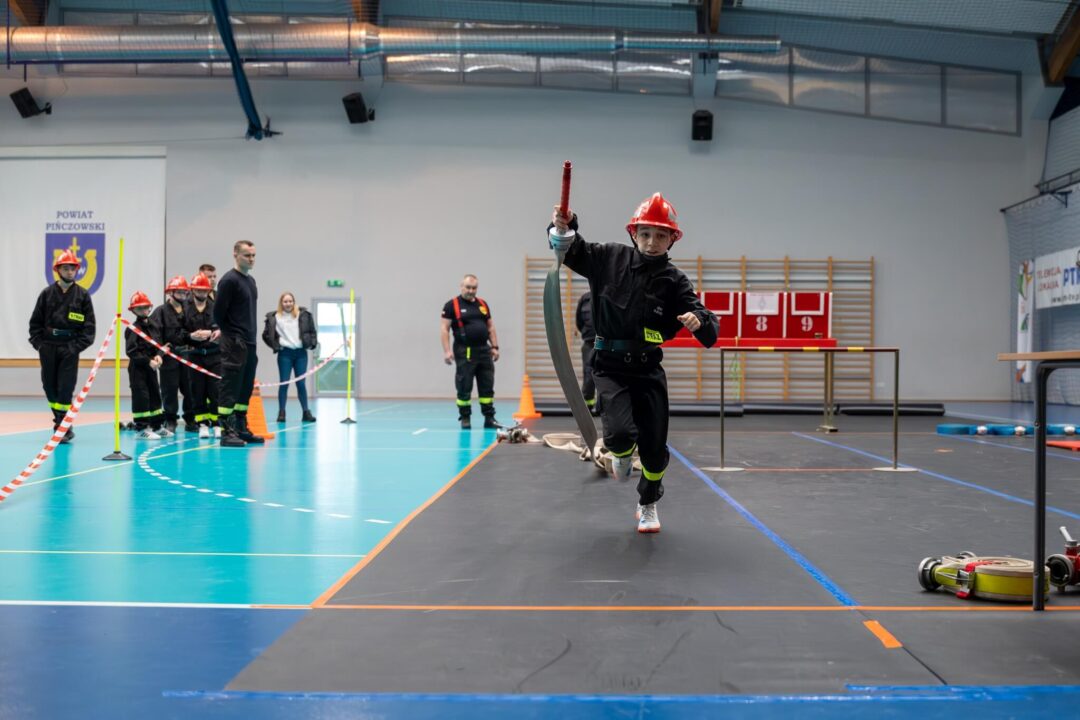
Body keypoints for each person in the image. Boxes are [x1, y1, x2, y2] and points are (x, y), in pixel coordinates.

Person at [548, 193, 719, 533]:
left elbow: (708, 328)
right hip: (609, 367)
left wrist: (699, 321)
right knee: (622, 435)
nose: (652, 242)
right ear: (633, 234)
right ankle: (620, 451)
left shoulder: (675, 281)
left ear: (672, 239)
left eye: (660, 235)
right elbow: (569, 248)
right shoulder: (608, 258)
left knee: (654, 451)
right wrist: (563, 225)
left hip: (647, 370)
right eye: (645, 234)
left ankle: (648, 503)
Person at [28, 250, 96, 443]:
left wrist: (74, 348)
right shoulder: (46, 294)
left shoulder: (83, 296)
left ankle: (62, 427)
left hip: (69, 347)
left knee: (65, 387)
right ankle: (61, 421)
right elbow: (35, 324)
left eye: (73, 268)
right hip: (48, 347)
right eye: (66, 268)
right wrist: (40, 345)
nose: (70, 272)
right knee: (49, 386)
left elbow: (89, 329)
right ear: (57, 270)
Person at [213, 240, 264, 447]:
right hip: (234, 343)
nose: (251, 259)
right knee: (230, 386)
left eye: (253, 255)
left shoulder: (250, 281)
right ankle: (227, 431)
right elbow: (218, 313)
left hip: (250, 343)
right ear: (235, 255)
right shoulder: (229, 281)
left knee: (245, 387)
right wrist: (231, 334)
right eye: (247, 255)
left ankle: (241, 428)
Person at [441, 274, 502, 429]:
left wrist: (494, 347)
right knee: (464, 385)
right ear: (461, 287)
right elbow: (444, 329)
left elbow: (490, 327)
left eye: (474, 288)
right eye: (468, 287)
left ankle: (489, 418)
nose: (471, 291)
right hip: (465, 351)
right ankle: (465, 417)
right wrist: (447, 351)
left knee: (487, 385)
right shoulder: (451, 305)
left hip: (484, 351)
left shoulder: (482, 304)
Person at [262, 292, 317, 423]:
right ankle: (282, 412)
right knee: (284, 383)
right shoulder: (274, 317)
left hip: (301, 354)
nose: (288, 304)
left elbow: (312, 331)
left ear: (294, 302)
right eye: (285, 301)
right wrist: (277, 344)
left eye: (290, 301)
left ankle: (306, 412)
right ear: (281, 303)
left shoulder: (303, 315)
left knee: (301, 384)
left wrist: (312, 344)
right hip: (285, 354)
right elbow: (266, 335)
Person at [149, 275, 192, 434]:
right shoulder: (160, 312)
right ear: (170, 293)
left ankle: (190, 419)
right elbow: (155, 336)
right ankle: (171, 419)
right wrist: (160, 353)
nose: (182, 295)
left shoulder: (190, 309)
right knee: (169, 390)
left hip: (188, 356)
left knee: (190, 389)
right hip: (169, 357)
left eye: (184, 292)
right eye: (179, 292)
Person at [125, 292, 167, 439]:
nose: (143, 310)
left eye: (145, 307)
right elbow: (131, 351)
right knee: (141, 396)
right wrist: (148, 361)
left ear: (150, 308)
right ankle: (141, 428)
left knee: (155, 394)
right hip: (138, 369)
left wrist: (159, 355)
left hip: (152, 367)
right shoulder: (132, 329)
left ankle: (157, 426)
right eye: (139, 308)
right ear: (133, 310)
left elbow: (159, 344)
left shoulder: (154, 326)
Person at [184, 273, 221, 439]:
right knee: (197, 391)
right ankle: (202, 424)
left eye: (204, 290)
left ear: (209, 291)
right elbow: (179, 332)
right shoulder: (185, 308)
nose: (201, 293)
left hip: (214, 356)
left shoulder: (216, 307)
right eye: (198, 290)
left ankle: (217, 424)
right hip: (195, 356)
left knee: (215, 391)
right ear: (193, 290)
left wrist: (216, 332)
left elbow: (225, 326)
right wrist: (191, 336)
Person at [575, 290, 597, 413]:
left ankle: (604, 407)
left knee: (608, 376)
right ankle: (588, 406)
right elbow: (579, 322)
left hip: (606, 343)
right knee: (588, 375)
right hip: (589, 343)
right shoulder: (585, 299)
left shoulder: (608, 295)